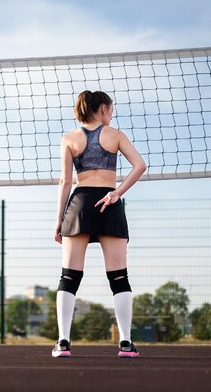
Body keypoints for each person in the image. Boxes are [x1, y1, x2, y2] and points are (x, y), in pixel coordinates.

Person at [51, 90, 146, 358]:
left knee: (69, 277)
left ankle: (63, 343)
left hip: (79, 204)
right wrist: (117, 193)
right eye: (111, 109)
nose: (112, 114)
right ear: (103, 108)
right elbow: (140, 165)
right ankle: (125, 343)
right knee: (119, 277)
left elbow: (66, 182)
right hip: (108, 202)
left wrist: (58, 221)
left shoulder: (69, 138)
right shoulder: (114, 134)